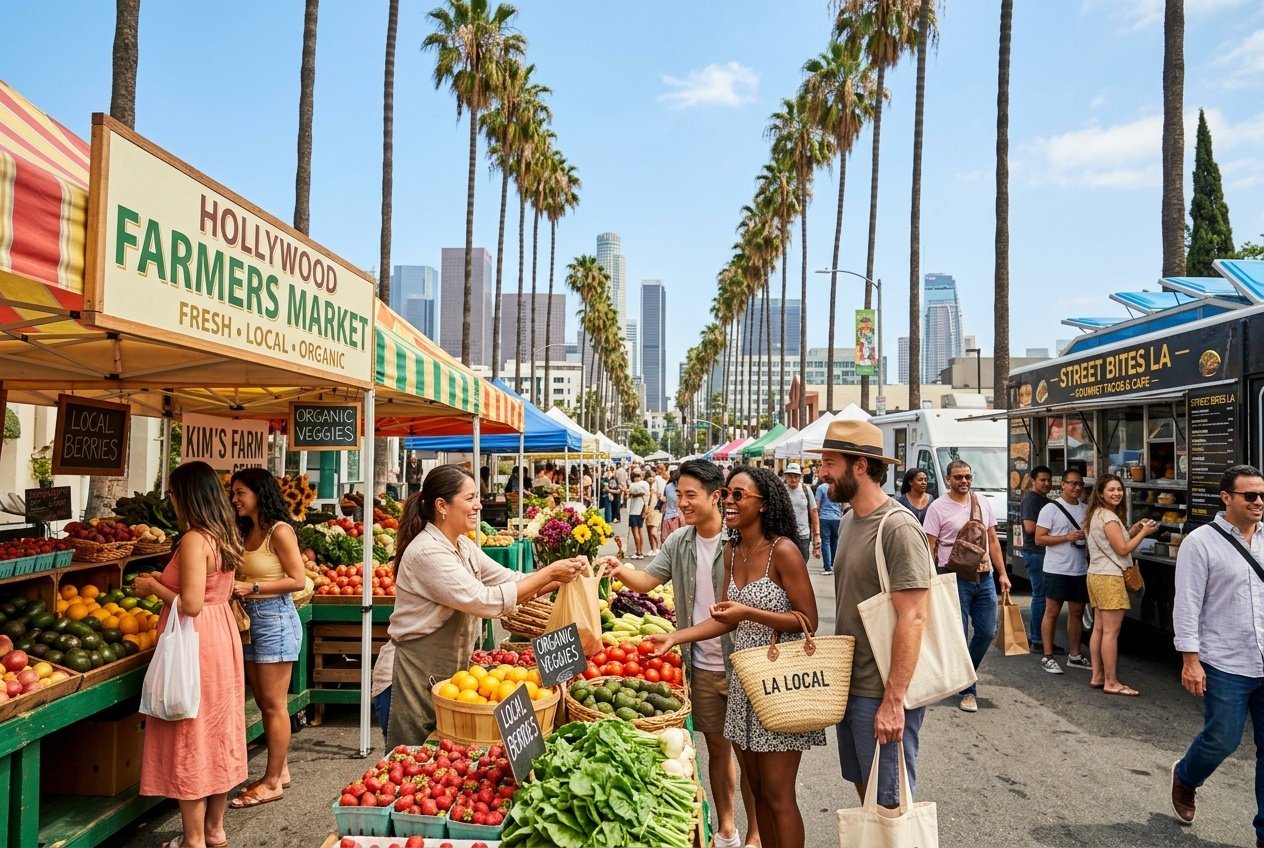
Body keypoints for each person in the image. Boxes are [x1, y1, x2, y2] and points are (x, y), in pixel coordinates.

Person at [647, 465, 821, 848]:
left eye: (738, 495)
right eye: (726, 494)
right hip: (744, 684)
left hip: (778, 685)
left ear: (763, 503)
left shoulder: (783, 550)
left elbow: (808, 620)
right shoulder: (732, 550)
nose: (728, 501)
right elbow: (725, 620)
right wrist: (676, 637)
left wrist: (748, 613)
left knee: (778, 796)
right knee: (757, 792)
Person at [598, 460, 760, 848]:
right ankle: (726, 829)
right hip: (701, 666)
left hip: (743, 662)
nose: (682, 503)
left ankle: (756, 835)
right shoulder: (679, 540)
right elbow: (649, 580)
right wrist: (621, 570)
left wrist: (676, 636)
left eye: (691, 495)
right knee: (717, 752)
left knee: (750, 756)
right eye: (680, 495)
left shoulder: (740, 540)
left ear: (716, 497)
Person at [386, 466, 588, 745]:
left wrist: (565, 575)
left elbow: (512, 581)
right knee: (415, 756)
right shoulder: (427, 551)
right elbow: (483, 600)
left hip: (451, 676)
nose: (478, 505)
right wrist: (550, 573)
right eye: (470, 498)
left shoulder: (462, 546)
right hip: (413, 674)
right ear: (442, 505)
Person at [810, 418, 932, 810]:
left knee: (889, 801)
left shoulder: (897, 527)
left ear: (860, 466)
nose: (822, 472)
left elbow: (914, 617)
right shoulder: (848, 521)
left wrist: (894, 701)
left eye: (829, 463)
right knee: (865, 789)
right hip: (852, 683)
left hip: (881, 690)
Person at [135, 461, 247, 848]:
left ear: (187, 496)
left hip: (193, 641)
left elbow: (192, 603)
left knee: (191, 734)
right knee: (215, 732)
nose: (169, 498)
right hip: (221, 639)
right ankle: (214, 831)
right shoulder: (225, 534)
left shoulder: (194, 540)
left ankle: (193, 839)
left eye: (172, 491)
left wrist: (152, 585)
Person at [1170, 465, 1264, 841]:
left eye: (1262, 495)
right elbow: (1187, 604)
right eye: (1250, 495)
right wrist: (1190, 660)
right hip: (1226, 660)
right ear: (1226, 498)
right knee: (1223, 739)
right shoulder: (1201, 542)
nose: (1259, 502)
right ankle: (1186, 775)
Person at [225, 468, 306, 808]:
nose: (235, 498)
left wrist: (252, 587)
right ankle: (280, 770)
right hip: (248, 621)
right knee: (263, 703)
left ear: (260, 493)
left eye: (241, 492)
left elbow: (298, 579)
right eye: (233, 492)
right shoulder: (244, 530)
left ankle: (272, 782)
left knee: (274, 705)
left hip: (275, 617)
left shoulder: (280, 531)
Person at [924, 459, 1011, 712]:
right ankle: (969, 690)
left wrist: (1003, 573)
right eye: (958, 477)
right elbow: (929, 545)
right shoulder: (937, 507)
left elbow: (993, 540)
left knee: (986, 632)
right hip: (954, 576)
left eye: (968, 477)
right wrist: (931, 577)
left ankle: (961, 677)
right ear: (948, 479)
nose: (964, 481)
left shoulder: (982, 502)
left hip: (984, 577)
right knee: (959, 636)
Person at [1083, 474, 1158, 696]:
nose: (1117, 493)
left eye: (1119, 489)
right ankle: (1111, 681)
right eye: (1111, 490)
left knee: (1098, 629)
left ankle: (1097, 676)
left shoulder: (1095, 515)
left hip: (1095, 575)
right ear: (1100, 493)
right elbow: (1123, 550)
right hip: (1110, 578)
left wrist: (1133, 530)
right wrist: (1144, 532)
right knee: (1111, 633)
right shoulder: (1110, 518)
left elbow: (1115, 541)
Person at [1035, 468, 1092, 675]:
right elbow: (1039, 538)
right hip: (1056, 568)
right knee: (1052, 612)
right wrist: (1067, 537)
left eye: (1080, 484)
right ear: (1063, 485)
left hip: (1079, 569)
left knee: (1076, 613)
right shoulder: (1050, 509)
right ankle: (1047, 656)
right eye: (1072, 483)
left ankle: (1075, 655)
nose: (1076, 487)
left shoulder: (1086, 509)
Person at [1020, 466, 1060, 653]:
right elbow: (1029, 528)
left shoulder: (1045, 500)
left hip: (1043, 553)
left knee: (1044, 597)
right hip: (1036, 553)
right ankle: (1037, 640)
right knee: (1041, 597)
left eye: (1049, 480)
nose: (1046, 483)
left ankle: (1041, 639)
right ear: (1033, 481)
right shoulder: (1031, 500)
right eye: (1042, 480)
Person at [783, 463, 820, 566]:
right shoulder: (781, 491)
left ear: (800, 477)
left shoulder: (806, 490)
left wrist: (817, 535)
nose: (793, 479)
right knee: (785, 565)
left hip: (803, 535)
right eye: (790, 476)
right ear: (786, 476)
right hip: (786, 535)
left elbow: (814, 512)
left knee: (802, 564)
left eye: (796, 476)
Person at [815, 476, 844, 574]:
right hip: (837, 518)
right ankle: (833, 564)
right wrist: (840, 513)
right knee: (835, 540)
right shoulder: (839, 487)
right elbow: (843, 504)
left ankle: (827, 566)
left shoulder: (821, 488)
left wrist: (816, 517)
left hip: (824, 517)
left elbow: (817, 505)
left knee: (826, 541)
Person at [627, 469, 651, 559]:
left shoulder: (633, 485)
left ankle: (638, 552)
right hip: (642, 508)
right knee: (640, 531)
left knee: (635, 531)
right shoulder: (645, 484)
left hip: (634, 510)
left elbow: (630, 493)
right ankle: (641, 551)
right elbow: (647, 495)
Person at [646, 464, 667, 556]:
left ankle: (657, 547)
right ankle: (653, 549)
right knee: (650, 527)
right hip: (652, 506)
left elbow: (660, 493)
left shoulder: (658, 479)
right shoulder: (661, 479)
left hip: (655, 506)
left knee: (652, 529)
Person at [662, 466, 683, 539]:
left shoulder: (668, 486)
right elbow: (678, 503)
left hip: (668, 517)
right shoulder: (679, 487)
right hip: (677, 517)